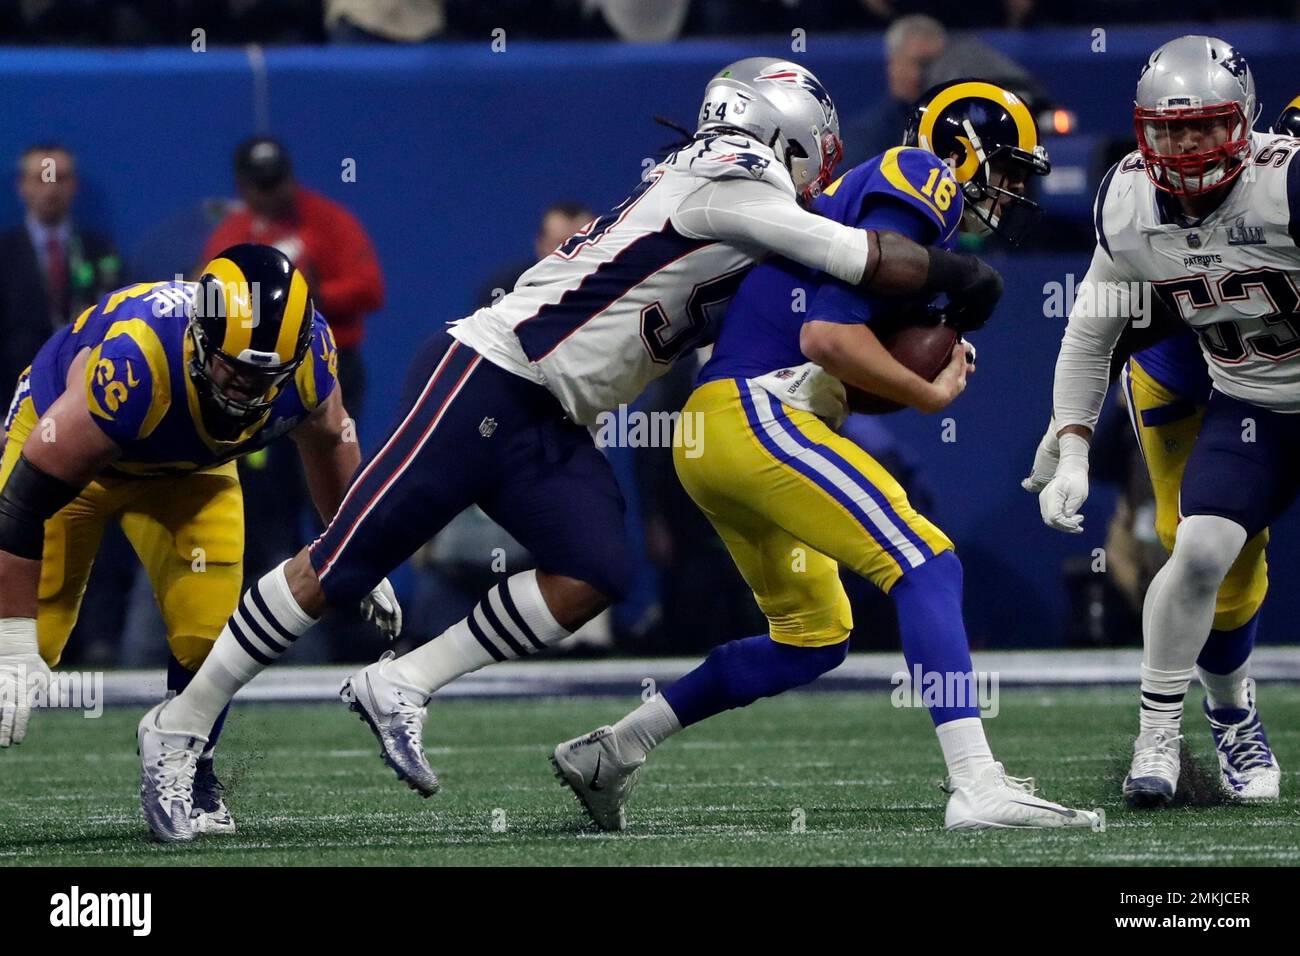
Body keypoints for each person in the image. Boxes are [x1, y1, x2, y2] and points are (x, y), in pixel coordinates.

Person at [138, 57, 1005, 843]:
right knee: (340, 567)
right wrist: (959, 276)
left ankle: (403, 682)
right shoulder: (728, 174)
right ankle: (178, 725)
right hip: (488, 370)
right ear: (781, 129)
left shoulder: (736, 198)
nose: (824, 160)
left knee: (595, 566)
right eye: (818, 143)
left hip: (550, 416)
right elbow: (852, 253)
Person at [552, 80, 1098, 831]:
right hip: (756, 413)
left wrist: (906, 375)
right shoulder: (919, 175)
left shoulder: (889, 228)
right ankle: (977, 782)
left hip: (715, 434)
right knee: (928, 562)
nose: (1008, 192)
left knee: (811, 639)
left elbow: (839, 369)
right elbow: (825, 340)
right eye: (1003, 170)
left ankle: (615, 748)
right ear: (961, 150)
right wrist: (929, 394)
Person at [0, 245, 399, 839]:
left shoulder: (311, 360)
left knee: (209, 634)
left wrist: (355, 549)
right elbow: (22, 502)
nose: (244, 391)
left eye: (263, 376)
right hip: (79, 466)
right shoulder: (137, 364)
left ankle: (190, 765)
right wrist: (11, 639)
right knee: (36, 643)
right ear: (198, 342)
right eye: (234, 369)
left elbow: (328, 448)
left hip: (192, 471)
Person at [1032, 36, 1291, 807]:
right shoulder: (1132, 199)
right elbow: (1092, 331)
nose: (1183, 145)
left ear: (1242, 122)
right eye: (1168, 128)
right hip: (1251, 401)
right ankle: (1171, 730)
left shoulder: (1289, 186)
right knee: (1202, 547)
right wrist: (1075, 444)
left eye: (1203, 126)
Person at [202, 137, 384, 420]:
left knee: (328, 452)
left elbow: (369, 288)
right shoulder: (231, 233)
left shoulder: (330, 220)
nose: (273, 193)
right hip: (254, 367)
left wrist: (312, 299)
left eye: (278, 181)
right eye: (262, 186)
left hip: (327, 361)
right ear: (242, 186)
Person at [0, 144, 120, 400]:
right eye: (40, 179)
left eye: (60, 178)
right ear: (22, 186)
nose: (51, 189)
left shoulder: (101, 252)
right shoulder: (4, 255)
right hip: (14, 404)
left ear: (74, 185)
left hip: (87, 401)